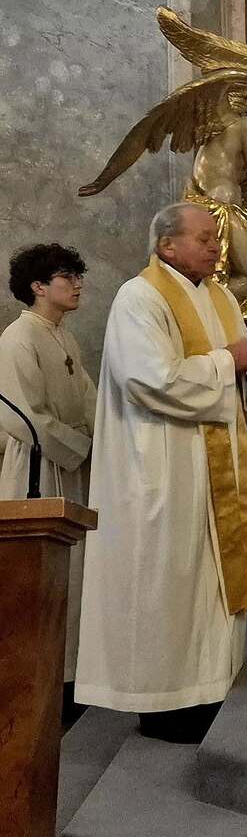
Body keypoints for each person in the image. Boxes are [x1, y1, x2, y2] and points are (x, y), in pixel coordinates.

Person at [75, 204, 247, 743]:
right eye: (204, 238)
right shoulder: (139, 297)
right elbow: (149, 380)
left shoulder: (221, 296)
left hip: (213, 467)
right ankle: (162, 704)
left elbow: (238, 363)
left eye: (216, 238)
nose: (215, 247)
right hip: (163, 468)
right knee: (167, 581)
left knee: (206, 582)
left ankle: (208, 688)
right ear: (167, 245)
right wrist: (229, 362)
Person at [0, 244, 96, 692]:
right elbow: (24, 417)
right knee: (41, 581)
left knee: (74, 575)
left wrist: (103, 441)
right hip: (37, 469)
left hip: (70, 463)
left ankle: (70, 675)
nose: (77, 285)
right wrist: (83, 446)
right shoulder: (18, 338)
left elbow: (90, 399)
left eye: (78, 276)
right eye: (66, 277)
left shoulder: (62, 336)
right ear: (38, 286)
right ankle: (40, 683)